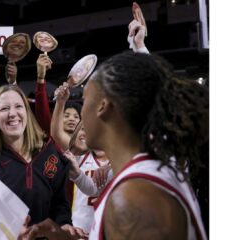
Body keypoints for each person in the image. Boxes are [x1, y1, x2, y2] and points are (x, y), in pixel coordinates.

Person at [82, 51, 208, 239]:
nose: (81, 112)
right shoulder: (152, 169)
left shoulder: (135, 197)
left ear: (102, 105)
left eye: (84, 101)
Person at [0, 84, 85, 239]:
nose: (12, 113)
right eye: (4, 109)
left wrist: (63, 223)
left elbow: (60, 202)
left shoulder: (49, 152)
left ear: (27, 112)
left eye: (18, 106)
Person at [51, 82, 82, 150]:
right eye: (67, 116)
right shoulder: (51, 145)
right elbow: (57, 134)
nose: (71, 119)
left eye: (76, 117)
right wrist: (60, 102)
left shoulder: (85, 145)